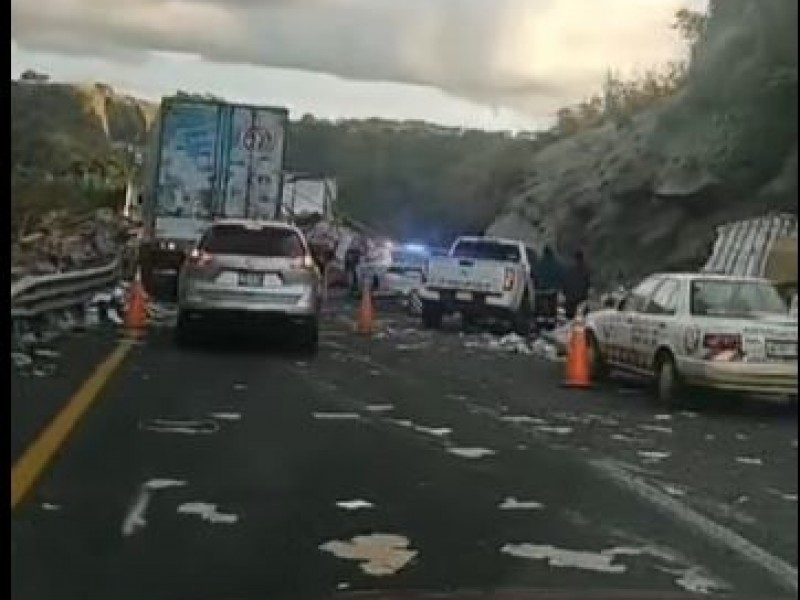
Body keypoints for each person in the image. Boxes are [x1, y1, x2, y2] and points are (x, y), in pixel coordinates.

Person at [532, 245, 562, 331]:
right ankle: (550, 325)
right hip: (551, 290)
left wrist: (536, 284)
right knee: (552, 308)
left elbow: (533, 274)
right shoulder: (556, 264)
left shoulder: (539, 263)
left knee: (540, 308)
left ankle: (539, 323)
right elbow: (560, 275)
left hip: (539, 290)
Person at [562, 250, 591, 321]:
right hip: (581, 302)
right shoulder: (586, 270)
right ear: (582, 259)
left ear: (575, 259)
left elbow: (565, 286)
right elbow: (588, 286)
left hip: (570, 303)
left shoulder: (569, 270)